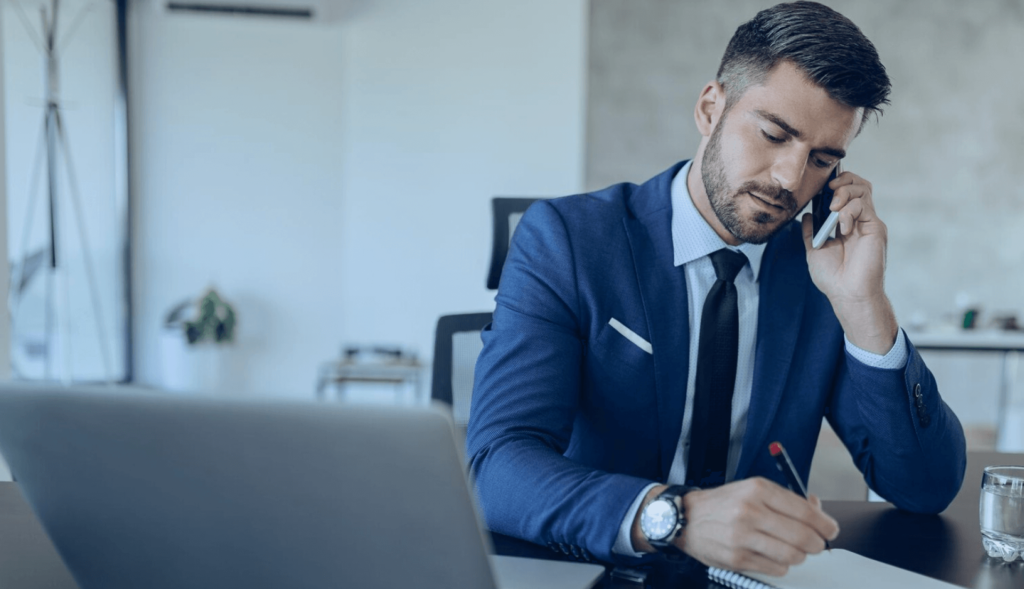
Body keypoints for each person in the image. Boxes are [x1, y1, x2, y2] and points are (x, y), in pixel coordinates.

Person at [465, 0, 967, 575]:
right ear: (710, 109)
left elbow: (925, 488)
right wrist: (677, 518)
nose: (790, 179)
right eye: (775, 134)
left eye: (822, 160)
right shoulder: (569, 240)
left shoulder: (820, 273)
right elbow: (497, 466)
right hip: (600, 567)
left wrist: (865, 307)